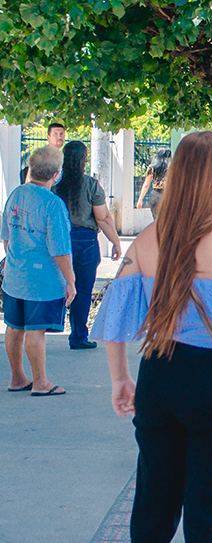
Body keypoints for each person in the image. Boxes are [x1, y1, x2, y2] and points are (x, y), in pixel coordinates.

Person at [89, 132, 212, 543]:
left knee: (152, 506)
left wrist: (120, 377)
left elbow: (115, 310)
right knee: (207, 513)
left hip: (159, 375)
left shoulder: (150, 237)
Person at [2, 146, 76, 396]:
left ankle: (17, 378)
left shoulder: (16, 194)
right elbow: (60, 249)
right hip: (41, 280)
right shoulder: (53, 204)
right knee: (36, 329)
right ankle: (40, 382)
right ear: (57, 175)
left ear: (31, 169)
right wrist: (70, 281)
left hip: (14, 275)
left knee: (14, 326)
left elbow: (7, 235)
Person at [53, 141, 123, 349]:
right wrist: (115, 242)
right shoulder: (91, 185)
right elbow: (103, 217)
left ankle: (49, 325)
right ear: (84, 160)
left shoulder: (55, 185)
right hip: (85, 240)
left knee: (57, 285)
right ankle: (78, 336)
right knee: (83, 290)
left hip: (58, 238)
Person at [135, 147, 171, 219]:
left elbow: (146, 185)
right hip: (169, 195)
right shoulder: (172, 168)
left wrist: (140, 199)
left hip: (156, 195)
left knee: (156, 220)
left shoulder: (152, 168)